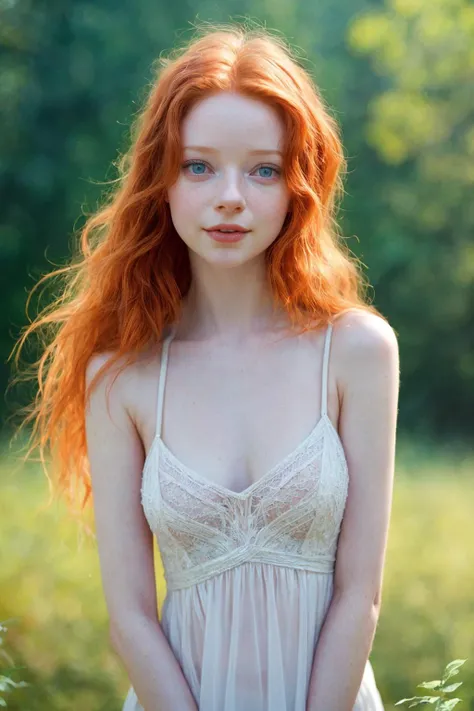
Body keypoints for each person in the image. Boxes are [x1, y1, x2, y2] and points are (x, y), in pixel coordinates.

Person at [11, 22, 399, 711]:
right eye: (199, 166)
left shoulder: (358, 351)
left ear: (297, 186)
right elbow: (130, 617)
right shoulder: (122, 376)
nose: (230, 196)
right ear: (161, 182)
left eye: (263, 169)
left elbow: (360, 593)